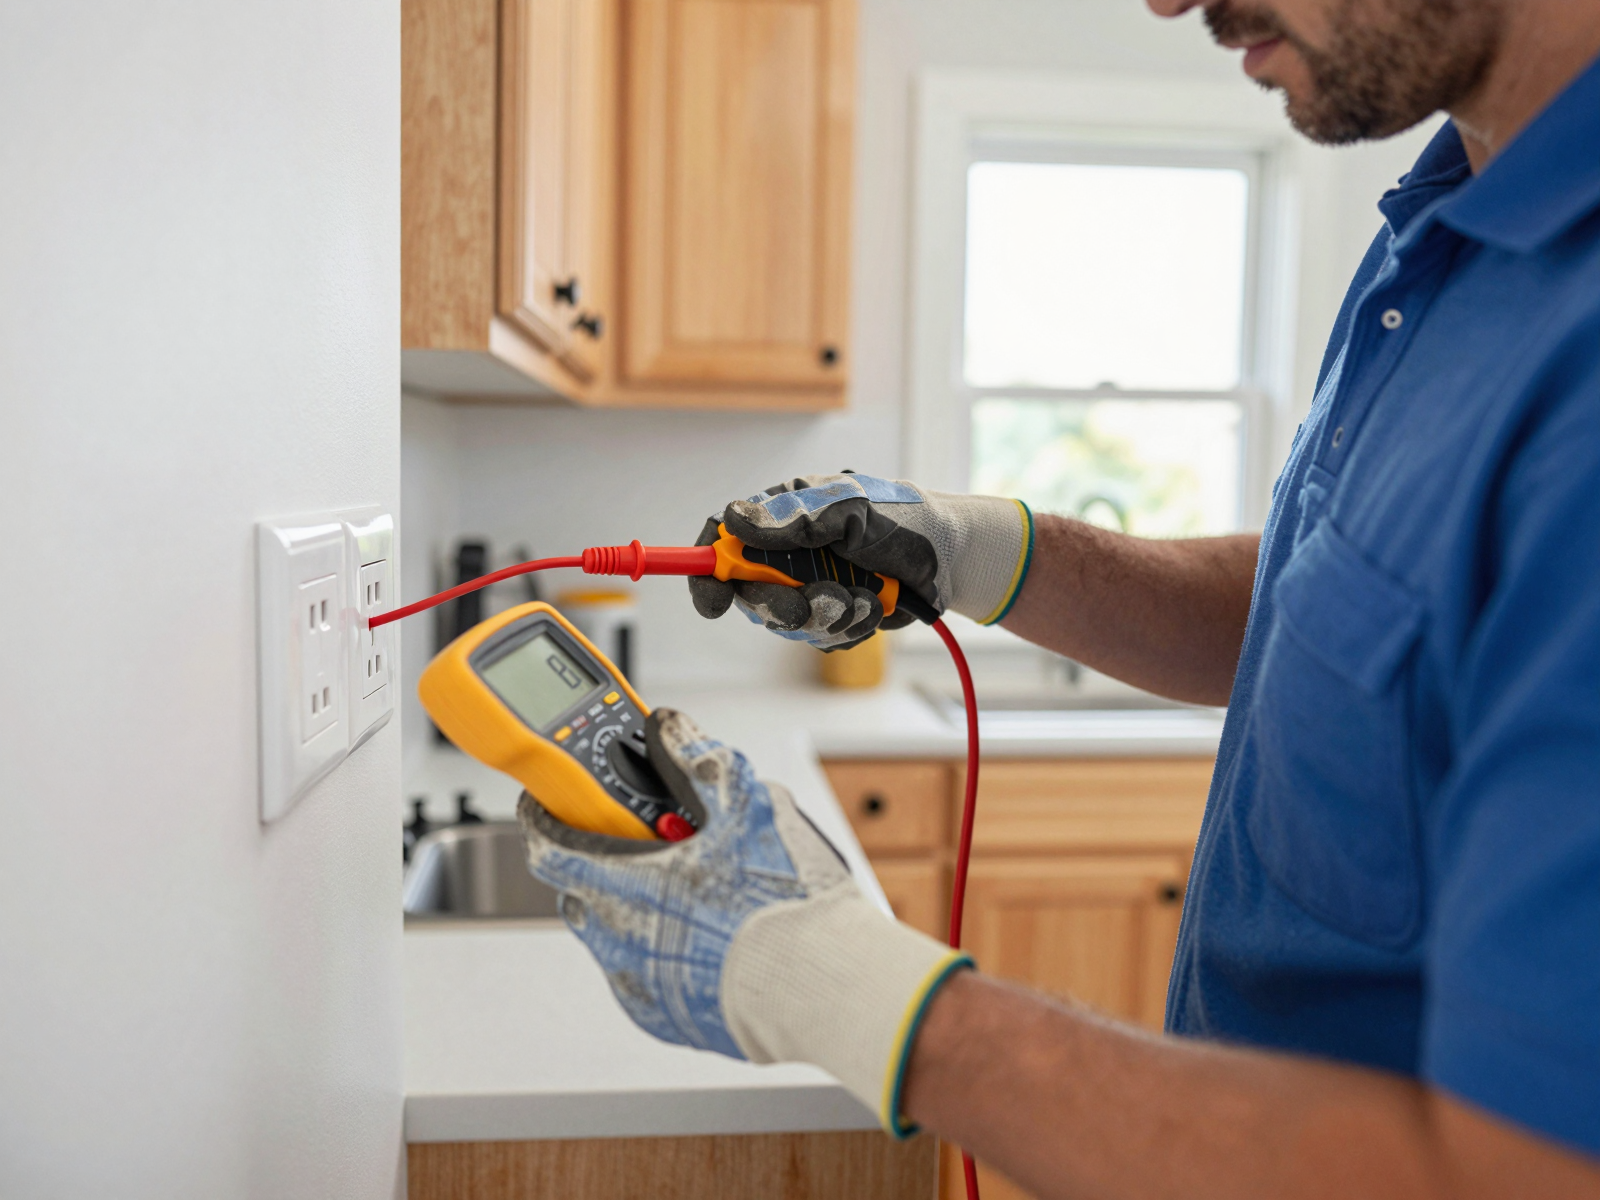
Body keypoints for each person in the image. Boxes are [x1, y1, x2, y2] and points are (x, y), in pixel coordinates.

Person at [518, 1, 1600, 1194]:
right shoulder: (1446, 222)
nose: (1167, 0)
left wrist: (831, 983)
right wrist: (974, 553)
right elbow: (1336, 603)